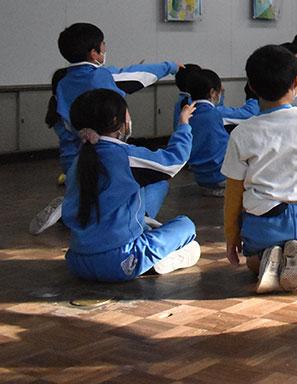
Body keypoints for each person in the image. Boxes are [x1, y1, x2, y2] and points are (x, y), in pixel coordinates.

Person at [31, 23, 179, 235]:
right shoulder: (100, 76)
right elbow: (133, 76)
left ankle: (71, 208)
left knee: (96, 190)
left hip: (73, 164)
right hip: (105, 159)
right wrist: (170, 66)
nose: (105, 50)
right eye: (103, 46)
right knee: (154, 184)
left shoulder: (62, 83)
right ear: (94, 53)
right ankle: (141, 216)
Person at [222, 45, 297, 294]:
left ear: (250, 86)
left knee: (251, 262)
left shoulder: (241, 133)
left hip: (260, 222)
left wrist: (232, 238)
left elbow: (233, 192)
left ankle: (267, 258)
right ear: (296, 82)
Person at [62, 89, 200, 281]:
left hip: (77, 261)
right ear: (115, 121)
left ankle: (145, 230)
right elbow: (173, 161)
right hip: (119, 261)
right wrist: (183, 125)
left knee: (157, 186)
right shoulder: (124, 156)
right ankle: (155, 259)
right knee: (186, 226)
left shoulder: (79, 160)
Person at [186, 68, 260, 196]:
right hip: (222, 177)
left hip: (201, 179)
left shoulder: (187, 114)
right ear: (213, 93)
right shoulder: (217, 113)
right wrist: (253, 96)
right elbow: (249, 114)